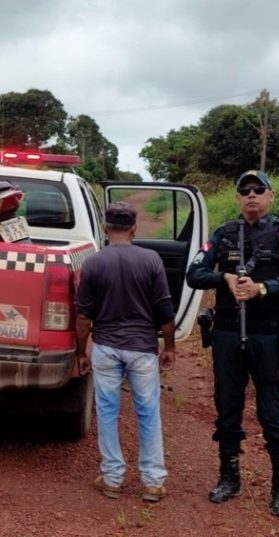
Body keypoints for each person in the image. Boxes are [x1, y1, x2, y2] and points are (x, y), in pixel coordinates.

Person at [186, 170, 279, 518]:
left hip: (268, 336)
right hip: (227, 335)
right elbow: (194, 274)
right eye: (245, 191)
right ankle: (229, 478)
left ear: (271, 196)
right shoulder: (223, 234)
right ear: (238, 198)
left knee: (273, 414)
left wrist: (262, 289)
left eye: (259, 190)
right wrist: (223, 277)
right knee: (227, 409)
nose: (251, 195)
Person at [75, 202, 176, 503]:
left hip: (105, 347)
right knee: (148, 412)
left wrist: (82, 352)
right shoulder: (151, 260)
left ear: (105, 229)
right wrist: (169, 346)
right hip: (142, 349)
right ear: (134, 229)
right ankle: (153, 482)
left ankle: (112, 478)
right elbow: (164, 309)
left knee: (107, 412)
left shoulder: (93, 262)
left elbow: (83, 316)